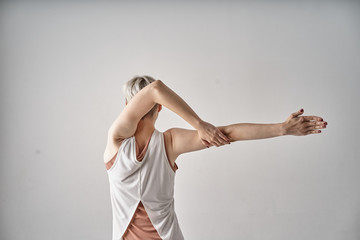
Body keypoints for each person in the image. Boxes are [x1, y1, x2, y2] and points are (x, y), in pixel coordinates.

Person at [103, 75, 327, 240]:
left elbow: (153, 90)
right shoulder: (169, 143)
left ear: (126, 105)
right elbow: (229, 133)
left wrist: (200, 126)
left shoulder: (116, 142)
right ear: (160, 108)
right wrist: (282, 128)